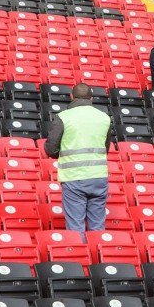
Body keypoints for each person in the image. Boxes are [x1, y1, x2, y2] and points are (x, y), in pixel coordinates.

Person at [44, 83, 112, 240]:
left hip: (74, 177)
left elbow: (51, 148)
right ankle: (99, 261)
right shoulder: (104, 118)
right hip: (99, 176)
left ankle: (80, 261)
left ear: (72, 97)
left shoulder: (64, 117)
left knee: (76, 228)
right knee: (98, 228)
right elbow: (105, 147)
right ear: (92, 98)